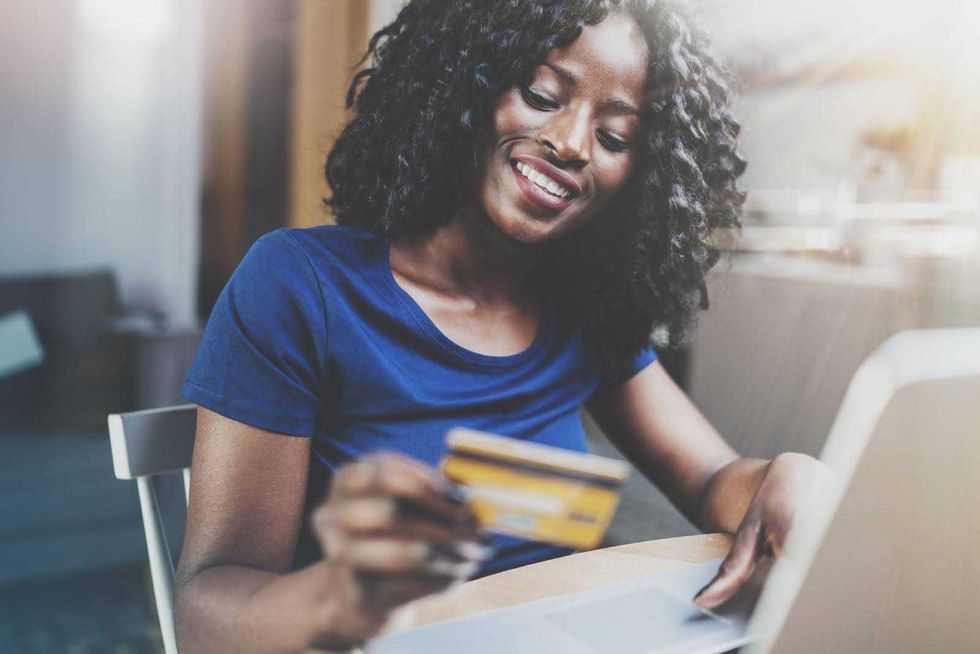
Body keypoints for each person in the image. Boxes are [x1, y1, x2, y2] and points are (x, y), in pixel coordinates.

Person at [174, 1, 827, 652]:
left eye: (615, 137)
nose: (571, 144)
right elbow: (207, 612)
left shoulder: (582, 306)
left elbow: (714, 479)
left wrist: (782, 477)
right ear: (465, 80)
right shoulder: (299, 287)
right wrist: (348, 587)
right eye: (543, 94)